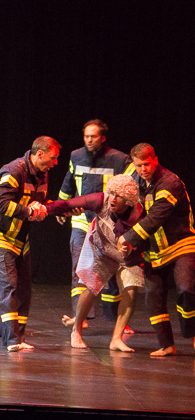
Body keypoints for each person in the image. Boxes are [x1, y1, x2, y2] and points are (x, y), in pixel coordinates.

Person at [46, 174, 143, 351]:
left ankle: (116, 338)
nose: (113, 198)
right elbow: (68, 204)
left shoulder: (138, 212)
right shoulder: (101, 200)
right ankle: (76, 330)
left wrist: (131, 246)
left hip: (127, 254)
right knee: (91, 287)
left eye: (119, 196)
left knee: (130, 290)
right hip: (101, 248)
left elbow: (146, 236)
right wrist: (44, 208)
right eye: (111, 193)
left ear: (129, 199)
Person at [0, 136, 60, 351]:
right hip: (0, 236)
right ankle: (12, 341)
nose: (55, 163)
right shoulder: (13, 171)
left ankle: (20, 338)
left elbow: (40, 202)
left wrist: (57, 210)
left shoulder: (42, 174)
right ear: (39, 154)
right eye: (53, 158)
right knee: (8, 286)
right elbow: (2, 204)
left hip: (20, 238)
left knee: (24, 290)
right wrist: (30, 212)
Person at [118, 143, 195, 357]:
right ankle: (166, 345)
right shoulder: (135, 180)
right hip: (154, 249)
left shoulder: (170, 183)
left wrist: (128, 238)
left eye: (146, 164)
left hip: (180, 244)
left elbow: (155, 218)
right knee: (153, 296)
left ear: (155, 160)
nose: (143, 169)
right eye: (138, 165)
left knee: (187, 289)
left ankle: (193, 334)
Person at [56, 120, 135, 326]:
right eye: (86, 136)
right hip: (81, 221)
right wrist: (61, 207)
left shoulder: (119, 159)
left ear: (103, 138)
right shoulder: (76, 156)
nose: (89, 140)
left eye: (93, 136)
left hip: (108, 222)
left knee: (112, 271)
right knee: (79, 269)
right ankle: (80, 317)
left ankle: (115, 318)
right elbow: (68, 182)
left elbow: (129, 189)